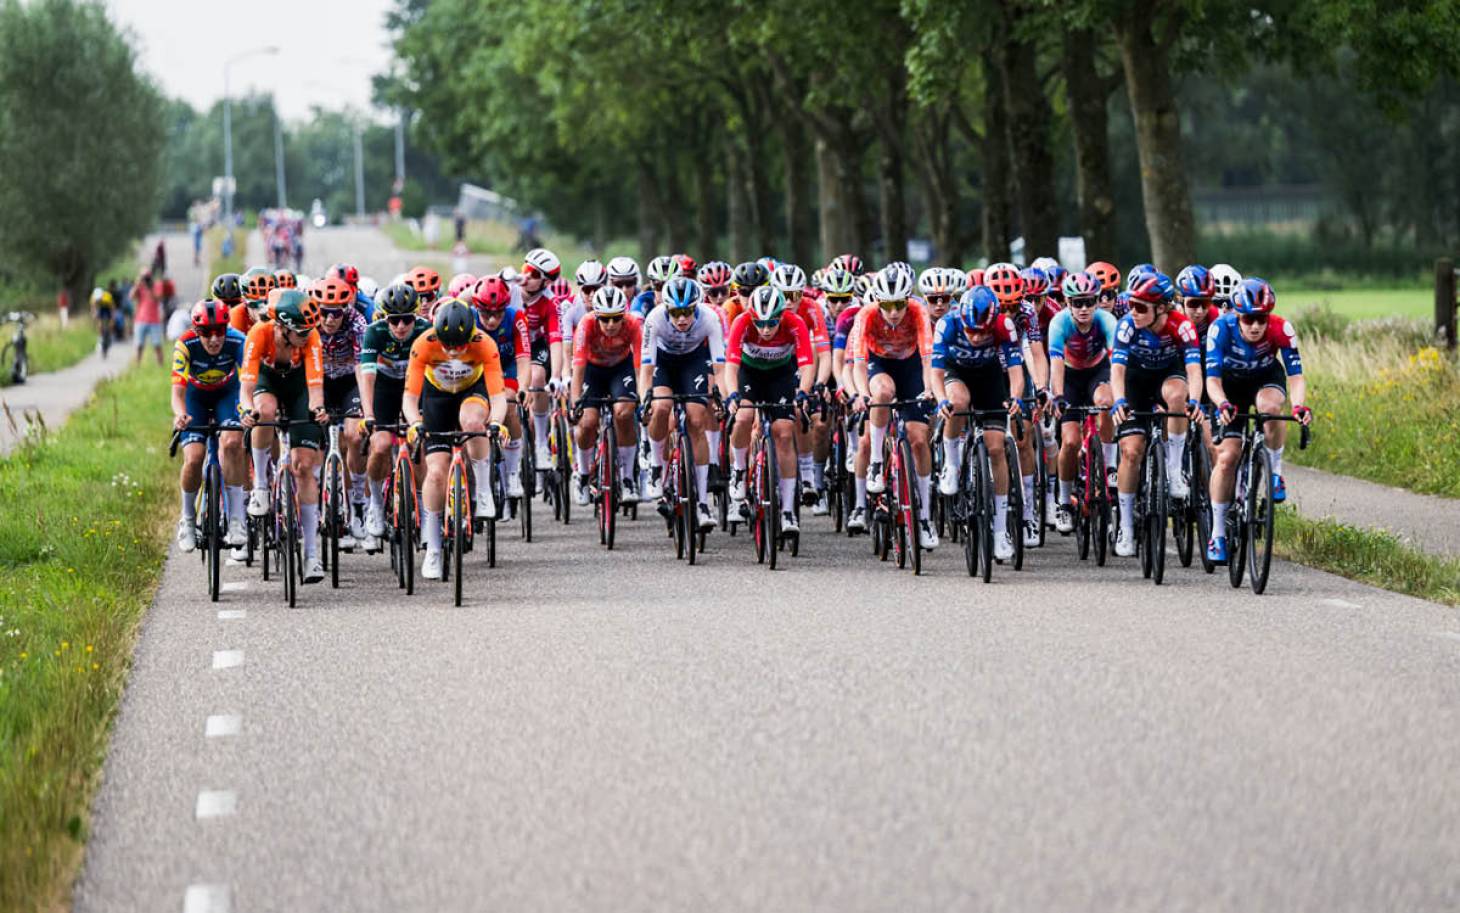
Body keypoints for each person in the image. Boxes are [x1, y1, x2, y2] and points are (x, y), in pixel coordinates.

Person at [1205, 278, 1311, 563]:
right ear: (1238, 315)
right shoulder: (1221, 328)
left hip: (1266, 378)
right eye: (1249, 319)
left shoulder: (1281, 328)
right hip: (1230, 386)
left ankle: (1275, 472)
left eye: (1261, 319)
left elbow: (1295, 377)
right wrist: (1222, 403)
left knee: (1270, 406)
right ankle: (1217, 535)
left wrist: (1300, 406)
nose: (1255, 326)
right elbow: (1212, 381)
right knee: (1227, 457)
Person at [403, 298, 510, 581]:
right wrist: (415, 423)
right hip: (436, 398)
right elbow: (410, 398)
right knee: (436, 473)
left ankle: (483, 491)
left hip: (470, 392)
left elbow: (498, 396)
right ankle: (434, 549)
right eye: (447, 345)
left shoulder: (483, 342)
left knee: (473, 422)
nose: (453, 351)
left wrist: (497, 422)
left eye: (459, 344)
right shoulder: (424, 343)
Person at [1109, 269, 1204, 558]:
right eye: (1131, 304)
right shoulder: (1127, 325)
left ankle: (1175, 471)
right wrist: (1119, 400)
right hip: (1135, 380)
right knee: (1132, 452)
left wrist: (1196, 401)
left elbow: (1194, 370)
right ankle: (1125, 525)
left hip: (1167, 375)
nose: (1132, 311)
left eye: (1140, 307)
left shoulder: (1181, 325)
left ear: (1161, 308)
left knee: (1178, 395)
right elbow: (1117, 370)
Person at [239, 289, 329, 583]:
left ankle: (312, 556)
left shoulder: (311, 339)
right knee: (263, 411)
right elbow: (247, 387)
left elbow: (315, 388)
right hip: (267, 384)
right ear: (282, 327)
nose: (307, 334)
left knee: (303, 466)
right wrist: (246, 409)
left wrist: (318, 409)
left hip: (299, 388)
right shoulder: (259, 334)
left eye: (309, 329)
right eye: (300, 330)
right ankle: (262, 488)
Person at [849, 266, 939, 548]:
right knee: (883, 392)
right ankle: (877, 462)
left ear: (907, 300)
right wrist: (863, 394)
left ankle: (924, 516)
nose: (894, 311)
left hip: (911, 366)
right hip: (880, 364)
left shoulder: (918, 311)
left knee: (919, 441)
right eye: (887, 305)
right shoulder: (866, 315)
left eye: (899, 304)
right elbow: (859, 364)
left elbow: (928, 360)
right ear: (878, 302)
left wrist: (928, 390)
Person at [724, 285, 815, 535]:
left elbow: (807, 364)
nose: (765, 329)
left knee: (784, 432)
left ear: (781, 316)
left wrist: (803, 392)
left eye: (772, 323)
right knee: (743, 415)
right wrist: (732, 394)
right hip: (749, 373)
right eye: (760, 323)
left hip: (781, 375)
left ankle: (787, 510)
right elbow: (730, 367)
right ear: (752, 316)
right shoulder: (741, 323)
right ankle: (739, 471)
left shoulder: (794, 322)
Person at [638, 276, 727, 530]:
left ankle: (701, 503)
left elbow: (719, 367)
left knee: (697, 419)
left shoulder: (710, 318)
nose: (681, 319)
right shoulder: (654, 319)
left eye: (687, 312)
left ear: (696, 307)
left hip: (693, 361)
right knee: (662, 407)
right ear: (666, 309)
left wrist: (719, 393)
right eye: (675, 313)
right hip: (663, 363)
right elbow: (646, 370)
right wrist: (646, 397)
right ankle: (656, 466)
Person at [171, 300, 248, 553]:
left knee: (234, 443)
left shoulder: (238, 341)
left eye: (219, 331)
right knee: (194, 457)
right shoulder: (185, 344)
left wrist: (249, 409)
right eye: (206, 332)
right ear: (196, 330)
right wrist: (180, 415)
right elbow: (178, 392)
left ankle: (237, 519)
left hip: (228, 394)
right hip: (195, 398)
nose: (214, 339)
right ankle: (188, 520)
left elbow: (249, 382)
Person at [359, 283, 433, 538]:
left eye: (407, 319)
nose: (401, 326)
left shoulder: (426, 331)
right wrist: (368, 415)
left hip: (416, 388)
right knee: (379, 445)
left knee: (422, 446)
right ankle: (376, 506)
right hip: (384, 389)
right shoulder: (374, 332)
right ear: (385, 318)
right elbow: (367, 379)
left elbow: (434, 376)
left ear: (416, 316)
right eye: (394, 320)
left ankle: (424, 510)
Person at [1048, 271, 1119, 535]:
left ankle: (1110, 464)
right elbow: (1055, 365)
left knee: (1105, 401)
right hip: (1069, 378)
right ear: (1067, 302)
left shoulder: (1107, 320)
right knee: (1070, 441)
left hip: (1098, 372)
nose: (1084, 308)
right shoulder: (1059, 323)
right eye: (1077, 303)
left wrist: (1120, 394)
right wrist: (1057, 396)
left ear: (1097, 300)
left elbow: (1117, 362)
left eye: (1089, 301)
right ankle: (1065, 502)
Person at [309, 276, 370, 546]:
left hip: (348, 383)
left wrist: (366, 410)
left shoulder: (358, 323)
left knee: (354, 436)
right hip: (319, 380)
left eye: (336, 313)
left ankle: (358, 501)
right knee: (319, 444)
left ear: (345, 310)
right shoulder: (308, 322)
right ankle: (329, 507)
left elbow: (361, 368)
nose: (330, 319)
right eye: (324, 312)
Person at [570, 286, 643, 505]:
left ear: (624, 315)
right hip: (592, 371)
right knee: (588, 421)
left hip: (621, 369)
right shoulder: (586, 324)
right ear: (597, 315)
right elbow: (578, 369)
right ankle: (583, 474)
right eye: (605, 319)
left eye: (616, 318)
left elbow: (639, 366)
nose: (611, 325)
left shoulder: (632, 325)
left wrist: (642, 396)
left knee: (624, 413)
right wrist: (575, 403)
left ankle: (628, 477)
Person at [471, 276, 533, 498]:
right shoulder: (468, 318)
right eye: (486, 313)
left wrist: (524, 387)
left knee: (509, 404)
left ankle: (513, 472)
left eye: (498, 314)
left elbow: (524, 359)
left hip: (506, 368)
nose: (491, 320)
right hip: (477, 371)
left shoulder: (516, 318)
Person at [132, 270, 166, 366]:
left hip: (154, 320)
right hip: (140, 320)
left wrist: (150, 288)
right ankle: (137, 366)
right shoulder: (139, 287)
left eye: (146, 277)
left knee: (157, 345)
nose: (145, 279)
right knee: (139, 345)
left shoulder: (156, 285)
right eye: (144, 277)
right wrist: (137, 285)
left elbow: (158, 298)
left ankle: (160, 366)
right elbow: (131, 297)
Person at [91, 287, 115, 357]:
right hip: (100, 309)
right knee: (100, 324)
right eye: (97, 299)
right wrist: (94, 315)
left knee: (110, 325)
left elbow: (112, 308)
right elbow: (93, 308)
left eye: (99, 299)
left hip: (107, 309)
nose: (98, 300)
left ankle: (110, 335)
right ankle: (100, 337)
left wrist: (112, 320)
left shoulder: (107, 297)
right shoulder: (93, 298)